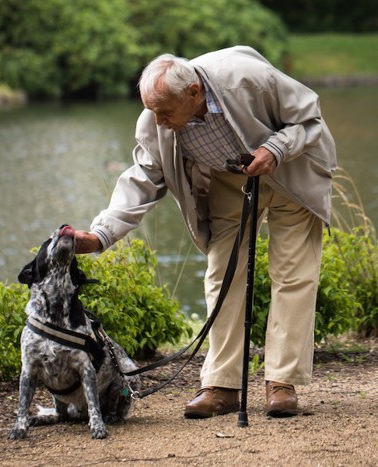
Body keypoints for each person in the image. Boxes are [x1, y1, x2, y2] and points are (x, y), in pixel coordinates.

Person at [75, 46, 336, 418]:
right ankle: (223, 385)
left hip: (293, 173)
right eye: (152, 110)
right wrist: (100, 235)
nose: (158, 120)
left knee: (293, 275)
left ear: (194, 93)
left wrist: (276, 148)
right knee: (221, 276)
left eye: (165, 111)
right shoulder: (156, 120)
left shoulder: (247, 78)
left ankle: (281, 382)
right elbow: (142, 179)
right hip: (233, 181)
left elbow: (310, 120)